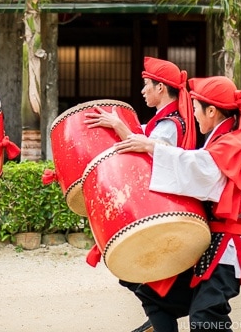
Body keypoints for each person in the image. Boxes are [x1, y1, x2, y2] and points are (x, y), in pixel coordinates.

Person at [113, 76, 241, 332]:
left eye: (195, 108)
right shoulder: (219, 139)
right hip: (209, 245)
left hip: (225, 250)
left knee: (206, 319)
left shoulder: (227, 144)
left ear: (211, 111)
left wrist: (151, 146)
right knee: (152, 291)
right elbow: (193, 162)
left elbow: (199, 168)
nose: (192, 114)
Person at [84, 57, 196, 332]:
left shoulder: (170, 124)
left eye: (147, 85)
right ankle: (160, 322)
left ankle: (161, 323)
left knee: (137, 274)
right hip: (159, 209)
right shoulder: (163, 121)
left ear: (161, 88)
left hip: (161, 210)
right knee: (142, 277)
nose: (143, 90)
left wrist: (117, 124)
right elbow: (142, 139)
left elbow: (147, 152)